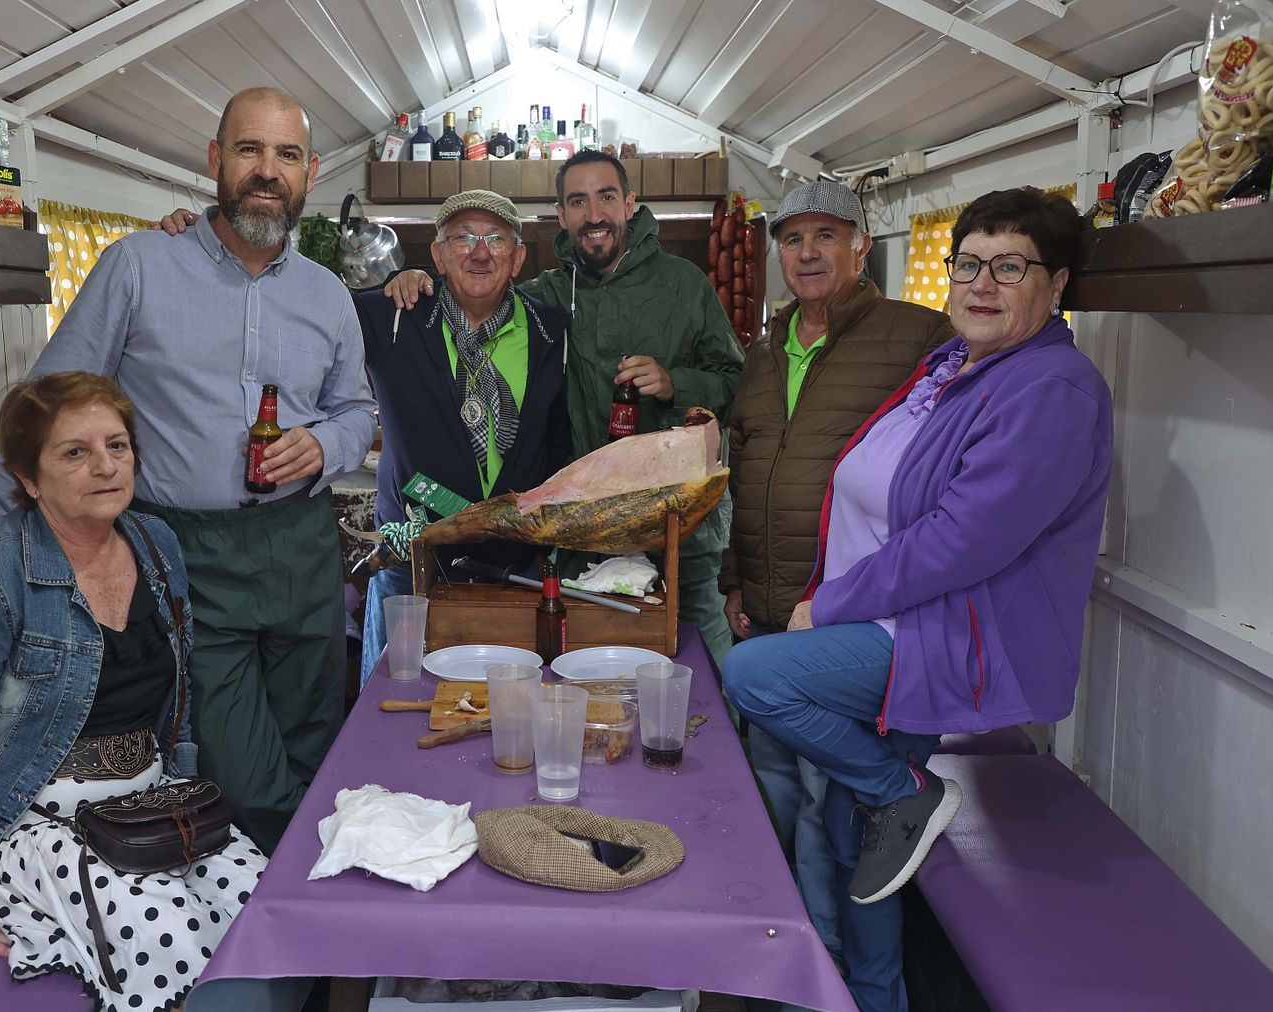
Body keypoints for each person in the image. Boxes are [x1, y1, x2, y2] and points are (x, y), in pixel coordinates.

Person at [0, 88, 377, 854]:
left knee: (315, 740)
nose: (267, 170)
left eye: (287, 155)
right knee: (241, 771)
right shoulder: (139, 265)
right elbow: (45, 416)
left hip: (301, 547)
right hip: (186, 553)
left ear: (311, 171)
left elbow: (356, 408)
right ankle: (266, 927)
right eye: (250, 150)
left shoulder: (328, 295)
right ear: (215, 159)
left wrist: (328, 445)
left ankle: (301, 944)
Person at [721, 186, 1113, 1012]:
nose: (982, 283)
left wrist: (826, 605)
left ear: (1058, 283)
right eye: (968, 263)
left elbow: (963, 538)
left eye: (1011, 268)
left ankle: (910, 801)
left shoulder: (1051, 389)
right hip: (884, 616)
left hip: (938, 634)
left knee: (757, 679)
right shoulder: (952, 369)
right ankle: (862, 993)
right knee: (854, 835)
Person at [0, 372, 268, 1010]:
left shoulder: (156, 545)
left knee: (261, 914)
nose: (104, 466)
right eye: (74, 452)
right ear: (29, 478)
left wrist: (181, 780)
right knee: (173, 939)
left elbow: (181, 692)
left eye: (117, 445)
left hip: (151, 801)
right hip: (27, 824)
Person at [156, 190, 571, 686]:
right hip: (412, 560)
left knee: (512, 697)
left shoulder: (553, 330)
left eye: (496, 239)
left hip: (518, 560)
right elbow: (284, 302)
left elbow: (563, 438)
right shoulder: (390, 315)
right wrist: (206, 243)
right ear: (437, 254)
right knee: (395, 704)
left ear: (518, 257)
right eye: (461, 238)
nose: (479, 252)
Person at [718, 180, 955, 965]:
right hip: (771, 613)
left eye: (828, 235)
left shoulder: (922, 338)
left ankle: (865, 991)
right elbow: (747, 471)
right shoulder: (765, 350)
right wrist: (734, 584)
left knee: (847, 833)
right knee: (781, 809)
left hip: (860, 625)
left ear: (863, 244)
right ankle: (794, 966)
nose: (809, 252)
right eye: (794, 239)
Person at [383, 151, 744, 662]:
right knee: (593, 672)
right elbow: (477, 290)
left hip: (678, 534)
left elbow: (736, 382)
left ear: (630, 203)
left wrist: (674, 383)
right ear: (561, 214)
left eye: (606, 197)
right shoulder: (547, 295)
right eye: (578, 201)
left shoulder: (685, 284)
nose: (594, 214)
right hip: (582, 538)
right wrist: (418, 280)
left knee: (701, 677)